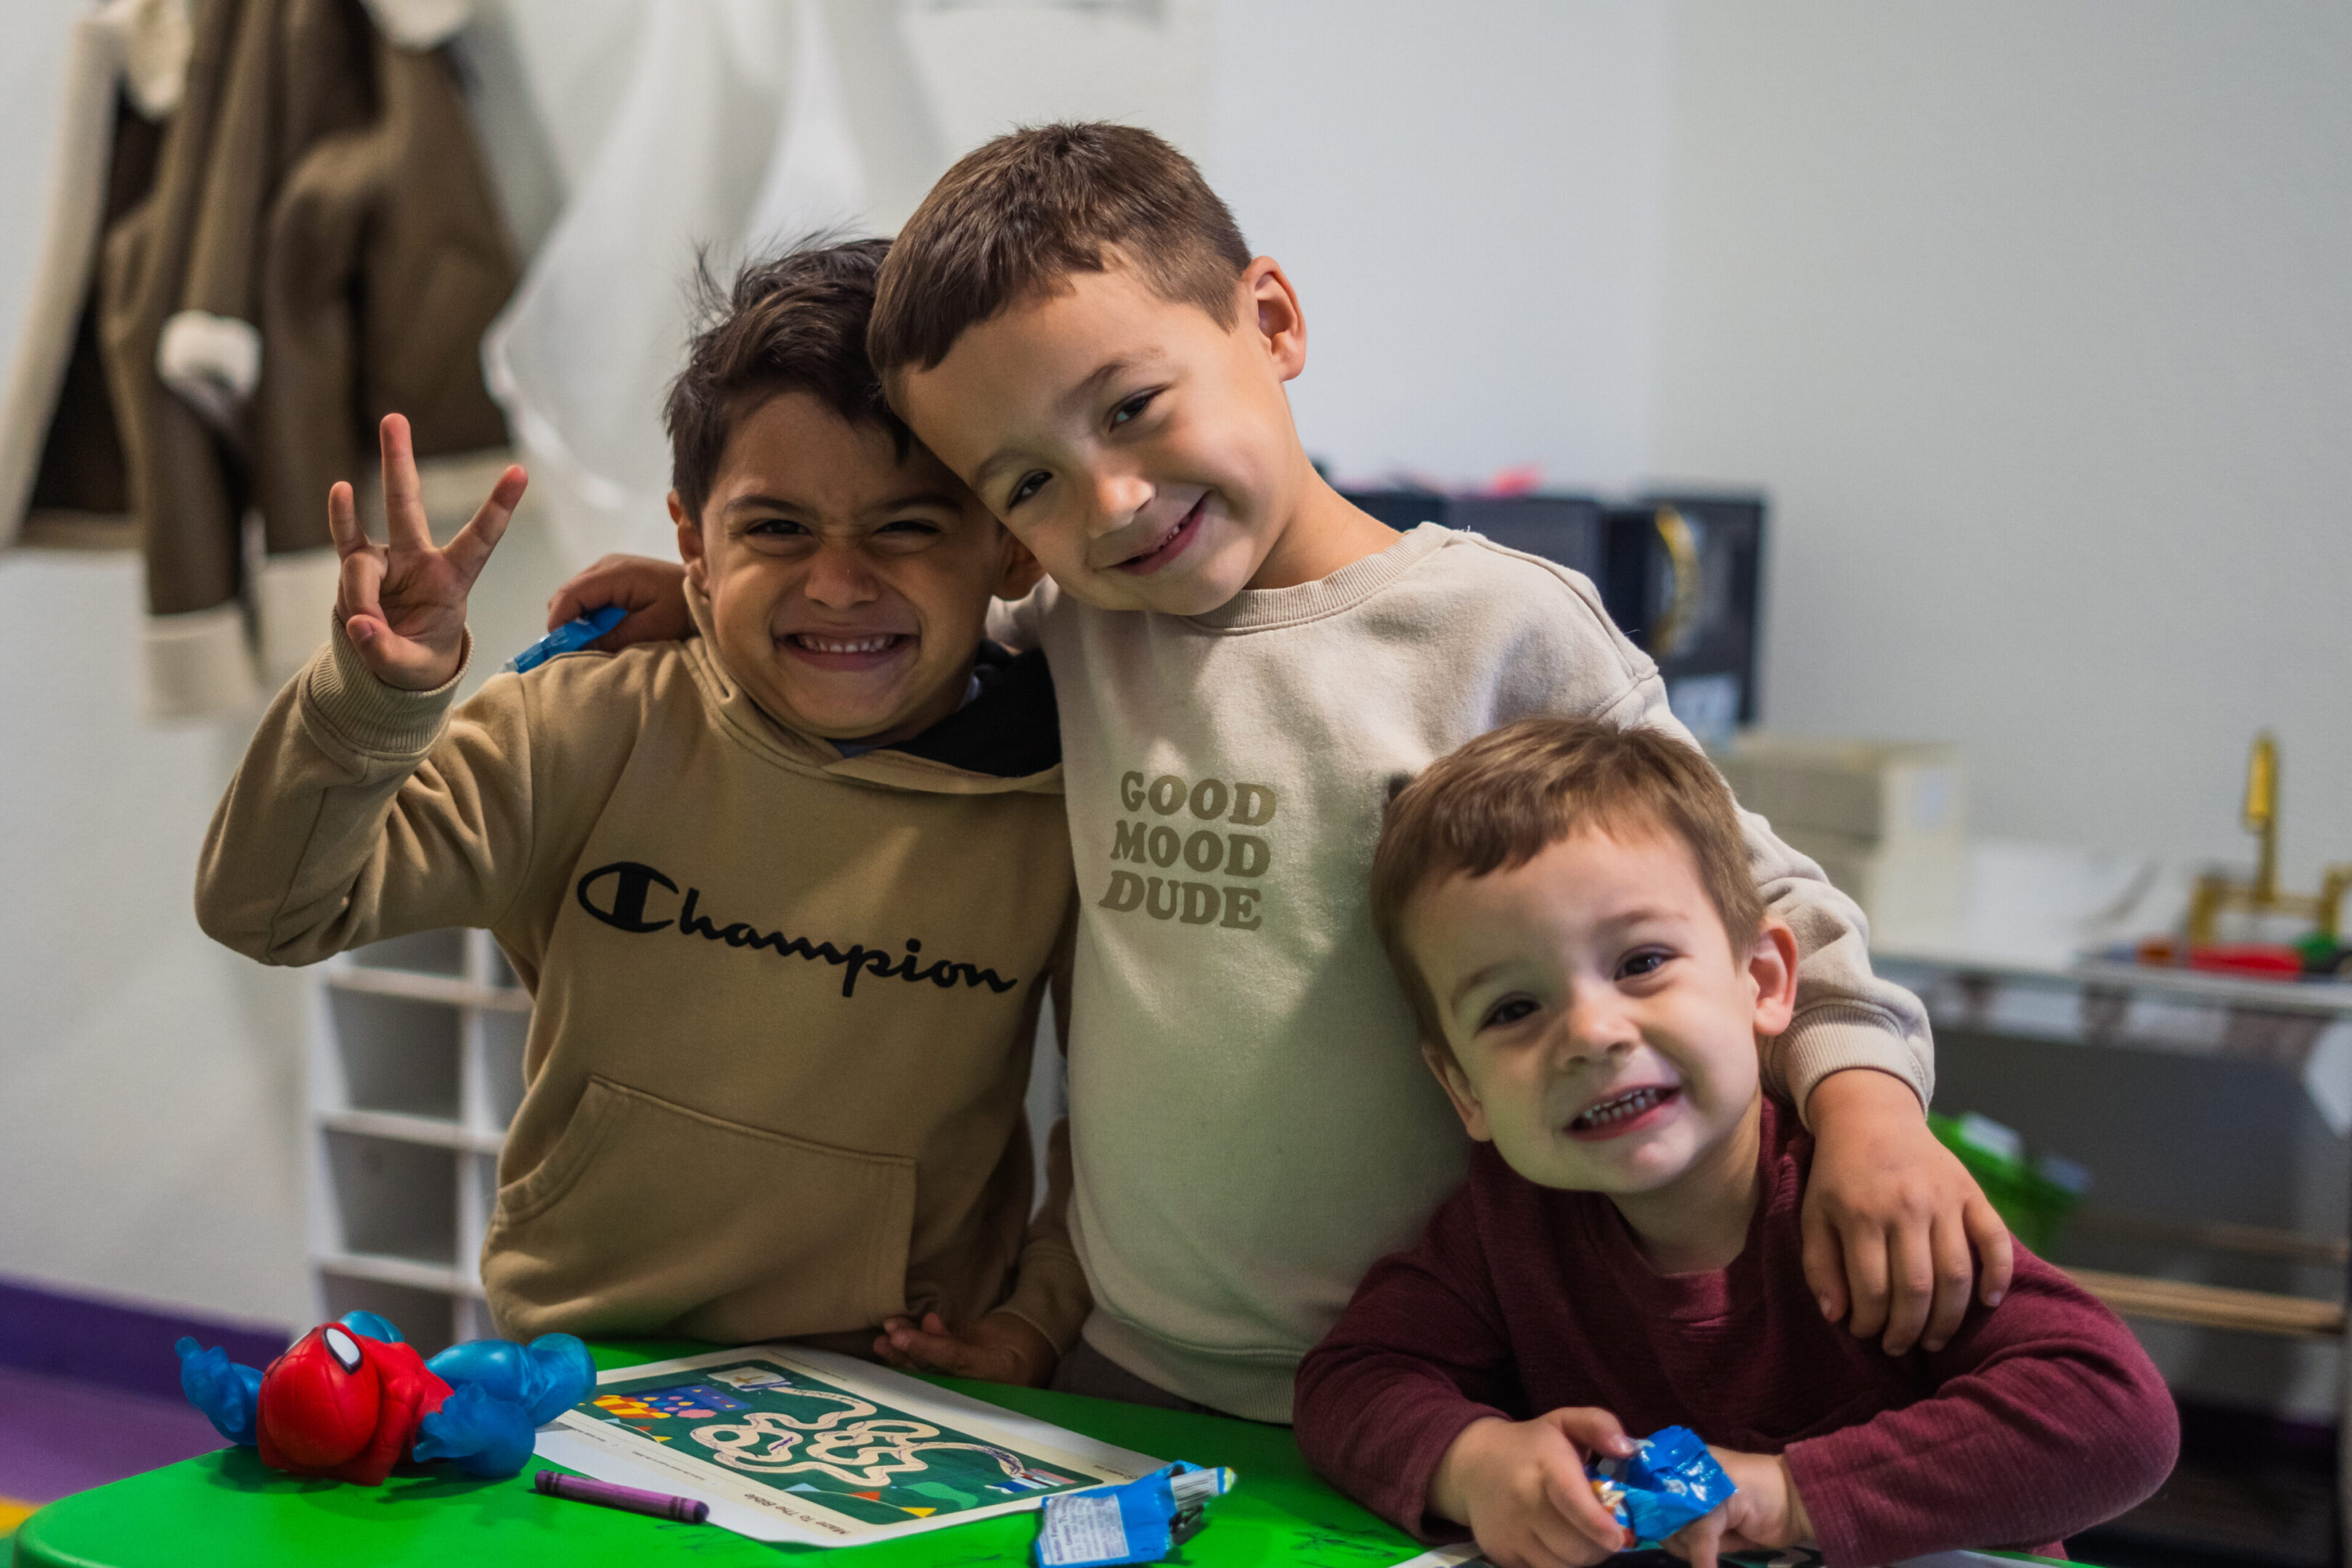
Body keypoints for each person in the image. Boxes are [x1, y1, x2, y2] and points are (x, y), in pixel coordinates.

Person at [550, 123, 2008, 1421]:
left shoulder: (1495, 633)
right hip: (1129, 1368)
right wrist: (735, 597)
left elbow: (1764, 905)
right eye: (1027, 484)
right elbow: (898, 619)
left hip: (1456, 1382)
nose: (1111, 502)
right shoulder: (1083, 626)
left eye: (1131, 407)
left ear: (1273, 319)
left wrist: (1874, 1115)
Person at [195, 240, 1086, 1383]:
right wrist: (379, 699)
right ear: (691, 543)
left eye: (908, 527)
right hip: (574, 1366)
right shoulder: (581, 726)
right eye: (775, 529)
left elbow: (1116, 1134)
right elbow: (268, 912)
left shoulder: (1060, 794)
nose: (838, 581)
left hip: (895, 1389)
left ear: (1005, 546)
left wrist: (1033, 1321)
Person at [1294, 717, 2177, 1568]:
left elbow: (2116, 1414)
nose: (1592, 1034)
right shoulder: (1503, 1226)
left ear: (1763, 982)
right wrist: (1474, 1462)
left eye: (1640, 962)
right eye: (1514, 1010)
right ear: (1463, 1091)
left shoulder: (1856, 1200)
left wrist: (1791, 1496)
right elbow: (1350, 1383)